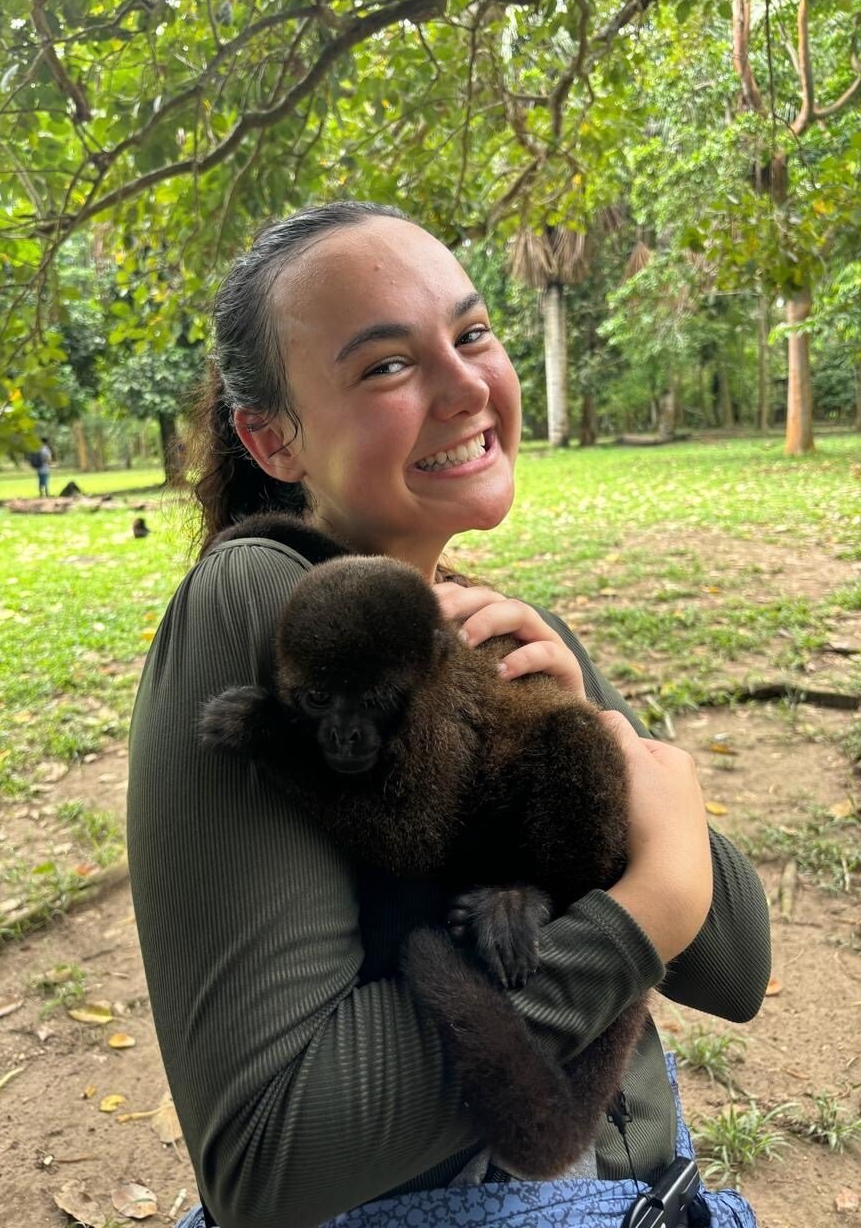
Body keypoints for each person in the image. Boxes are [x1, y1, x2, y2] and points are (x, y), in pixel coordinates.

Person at [126, 202, 771, 1228]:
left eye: (472, 335)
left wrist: (587, 710)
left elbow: (734, 964)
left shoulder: (505, 630)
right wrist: (642, 908)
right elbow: (268, 1159)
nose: (468, 384)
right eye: (386, 365)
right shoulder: (266, 596)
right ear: (270, 436)